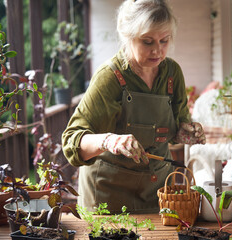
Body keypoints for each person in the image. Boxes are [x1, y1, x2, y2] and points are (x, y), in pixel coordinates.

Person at [62, 0, 206, 214]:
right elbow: (71, 142)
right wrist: (109, 141)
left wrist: (186, 133)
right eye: (147, 42)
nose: (157, 50)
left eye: (164, 41)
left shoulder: (172, 73)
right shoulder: (109, 77)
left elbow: (177, 126)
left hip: (158, 192)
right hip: (108, 194)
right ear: (128, 37)